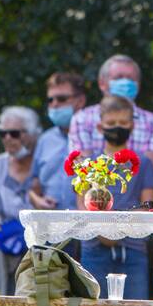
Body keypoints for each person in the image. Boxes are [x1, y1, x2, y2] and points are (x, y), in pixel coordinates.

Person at [78, 96, 153, 299]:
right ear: (100, 126)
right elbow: (82, 206)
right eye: (111, 123)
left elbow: (147, 206)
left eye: (123, 123)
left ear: (132, 126)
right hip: (94, 247)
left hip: (132, 248)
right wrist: (104, 233)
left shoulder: (144, 164)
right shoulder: (89, 165)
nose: (117, 128)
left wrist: (116, 232)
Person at [0, 105, 40, 295]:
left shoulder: (43, 164)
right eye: (2, 133)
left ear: (32, 134)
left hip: (39, 249)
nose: (7, 139)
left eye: (14, 133)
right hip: (4, 247)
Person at [68, 54, 153, 168]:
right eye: (118, 77)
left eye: (130, 78)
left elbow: (151, 164)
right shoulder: (82, 119)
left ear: (138, 85)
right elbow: (83, 164)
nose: (125, 82)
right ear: (102, 83)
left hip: (140, 186)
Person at [29, 72, 87, 212]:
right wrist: (37, 200)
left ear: (80, 101)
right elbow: (33, 185)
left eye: (61, 99)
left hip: (89, 227)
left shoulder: (96, 137)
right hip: (52, 227)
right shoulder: (45, 140)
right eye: (50, 100)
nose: (54, 104)